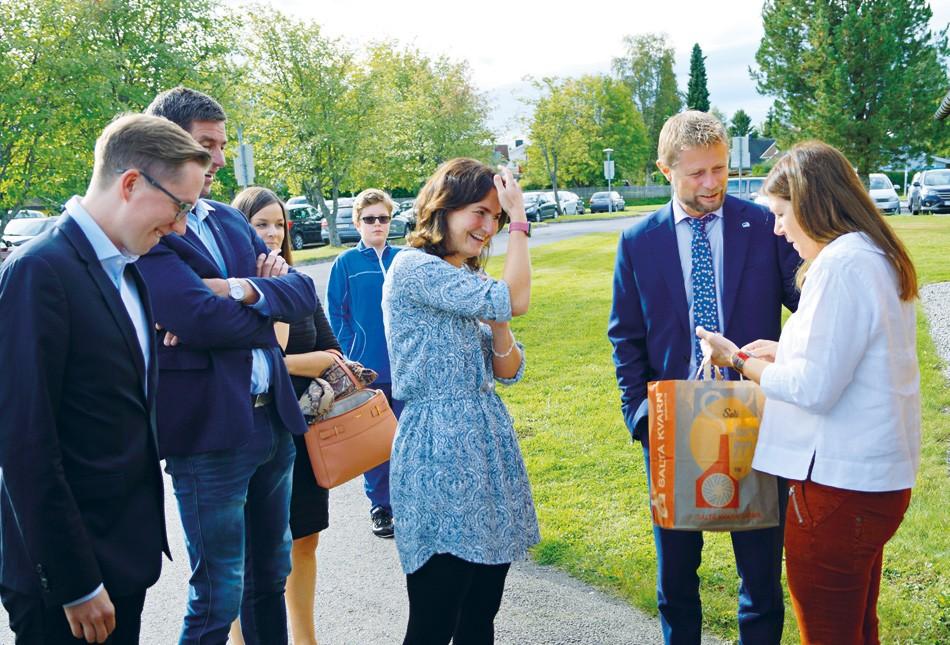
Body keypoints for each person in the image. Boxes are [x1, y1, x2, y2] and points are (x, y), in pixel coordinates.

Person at [698, 140, 921, 645]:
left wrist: (740, 360)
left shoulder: (840, 266)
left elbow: (812, 388)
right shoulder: (874, 254)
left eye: (780, 214)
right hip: (871, 482)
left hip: (837, 489)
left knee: (828, 633)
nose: (777, 228)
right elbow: (853, 358)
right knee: (858, 627)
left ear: (810, 204)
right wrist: (783, 350)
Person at [0, 113, 209, 644]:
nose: (182, 225)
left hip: (122, 560)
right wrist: (74, 582)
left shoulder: (129, 268)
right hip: (69, 582)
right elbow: (25, 443)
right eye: (180, 205)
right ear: (132, 183)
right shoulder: (39, 272)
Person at [607, 110, 801, 644]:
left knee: (761, 576)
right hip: (673, 427)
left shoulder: (764, 225)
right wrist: (640, 416)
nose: (712, 183)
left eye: (718, 169)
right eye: (696, 174)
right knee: (676, 577)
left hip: (756, 419)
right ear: (665, 169)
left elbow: (808, 307)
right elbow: (625, 337)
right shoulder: (637, 240)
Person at [137, 87, 317, 645]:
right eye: (205, 144)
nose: (217, 158)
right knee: (218, 595)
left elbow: (302, 290)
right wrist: (263, 300)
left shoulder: (231, 221)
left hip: (273, 424)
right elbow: (196, 317)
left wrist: (236, 290)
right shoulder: (152, 227)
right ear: (169, 143)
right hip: (209, 434)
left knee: (272, 577)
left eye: (220, 144)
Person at [382, 159, 538, 645]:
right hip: (438, 449)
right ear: (442, 209)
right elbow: (516, 298)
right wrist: (520, 222)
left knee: (481, 612)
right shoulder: (414, 269)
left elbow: (507, 370)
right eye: (480, 212)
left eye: (496, 218)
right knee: (435, 616)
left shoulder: (465, 281)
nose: (489, 228)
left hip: (486, 443)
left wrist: (496, 318)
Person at [231, 187, 339, 645]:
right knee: (249, 554)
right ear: (241, 229)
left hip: (304, 429)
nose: (273, 233)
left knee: (304, 539)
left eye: (279, 224)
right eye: (261, 225)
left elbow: (332, 354)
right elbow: (253, 361)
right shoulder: (232, 289)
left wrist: (281, 362)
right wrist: (292, 359)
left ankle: (306, 639)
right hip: (253, 433)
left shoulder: (299, 283)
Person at [326, 188, 403, 538]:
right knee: (375, 442)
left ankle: (410, 501)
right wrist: (351, 356)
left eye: (383, 218)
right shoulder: (346, 264)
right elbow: (336, 315)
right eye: (369, 219)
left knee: (406, 438)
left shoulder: (404, 259)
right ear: (357, 222)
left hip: (407, 366)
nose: (377, 224)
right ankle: (381, 506)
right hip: (369, 368)